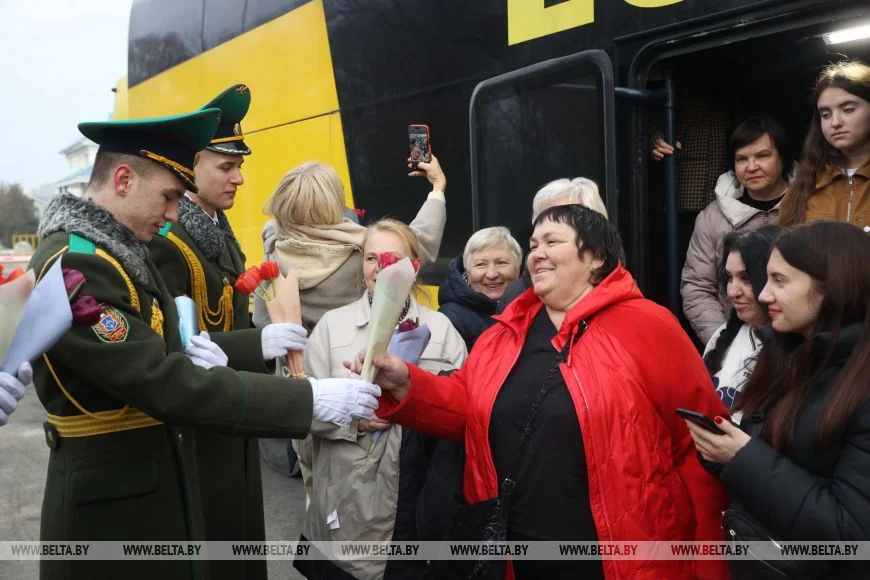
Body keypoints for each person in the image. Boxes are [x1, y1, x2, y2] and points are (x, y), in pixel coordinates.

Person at [29, 111, 379, 580]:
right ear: (124, 179)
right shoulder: (78, 262)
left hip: (148, 486)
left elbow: (179, 344)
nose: (176, 212)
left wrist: (250, 345)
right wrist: (309, 399)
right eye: (170, 196)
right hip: (111, 510)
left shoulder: (118, 250)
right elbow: (161, 379)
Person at [361, 205, 730, 579]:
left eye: (552, 241)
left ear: (597, 257)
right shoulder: (500, 337)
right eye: (534, 244)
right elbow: (466, 409)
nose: (537, 252)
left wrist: (707, 560)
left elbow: (701, 447)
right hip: (515, 558)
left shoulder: (648, 327)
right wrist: (405, 381)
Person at [148, 85, 303, 580]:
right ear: (189, 168)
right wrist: (257, 343)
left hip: (234, 410)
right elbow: (173, 344)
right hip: (200, 421)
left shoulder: (217, 228)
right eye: (226, 166)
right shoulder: (170, 239)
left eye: (239, 165)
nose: (239, 177)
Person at [686, 221, 870, 579]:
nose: (764, 295)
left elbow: (852, 537)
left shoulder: (859, 381)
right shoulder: (786, 356)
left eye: (780, 281)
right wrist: (722, 453)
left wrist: (744, 457)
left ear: (831, 287)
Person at [253, 157, 448, 477]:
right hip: (359, 381)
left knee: (318, 482)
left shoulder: (274, 252)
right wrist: (437, 190)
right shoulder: (360, 251)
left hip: (309, 394)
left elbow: (263, 322)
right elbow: (419, 246)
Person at [295, 219, 467, 580]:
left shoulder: (441, 330)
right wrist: (349, 420)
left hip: (415, 502)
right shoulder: (331, 327)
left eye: (392, 258)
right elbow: (300, 413)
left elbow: (463, 410)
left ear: (414, 267)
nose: (381, 268)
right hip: (347, 509)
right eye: (371, 258)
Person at [682, 116, 795, 344]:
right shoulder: (711, 218)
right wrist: (727, 342)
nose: (751, 167)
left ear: (783, 158)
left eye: (763, 156)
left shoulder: (813, 206)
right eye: (742, 159)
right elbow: (697, 288)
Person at [779, 60, 870, 230]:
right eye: (826, 114)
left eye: (848, 109)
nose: (835, 122)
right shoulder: (806, 182)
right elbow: (785, 251)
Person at [702, 226, 779, 421]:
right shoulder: (723, 335)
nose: (732, 292)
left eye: (746, 278)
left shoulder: (797, 347)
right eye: (729, 278)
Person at [498, 177, 607, 310]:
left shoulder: (621, 294)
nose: (548, 222)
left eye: (563, 217)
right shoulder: (515, 296)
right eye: (542, 217)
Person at [438, 226, 522, 350]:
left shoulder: (536, 307)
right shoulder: (449, 318)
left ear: (518, 269)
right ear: (467, 272)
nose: (491, 274)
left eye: (501, 263)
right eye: (481, 265)